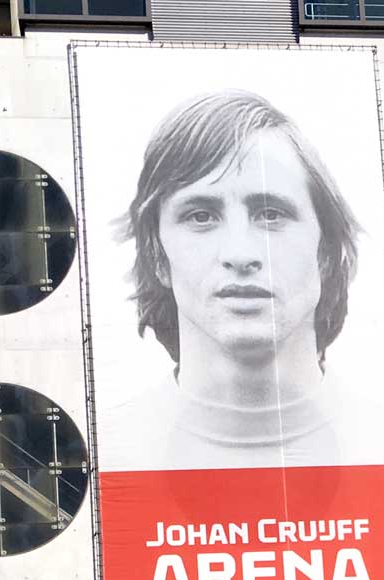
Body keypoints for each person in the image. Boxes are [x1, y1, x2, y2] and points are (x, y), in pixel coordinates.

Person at [97, 89, 363, 471]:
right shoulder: (108, 455)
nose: (240, 254)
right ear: (157, 255)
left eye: (271, 213)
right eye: (201, 216)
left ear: (325, 251)